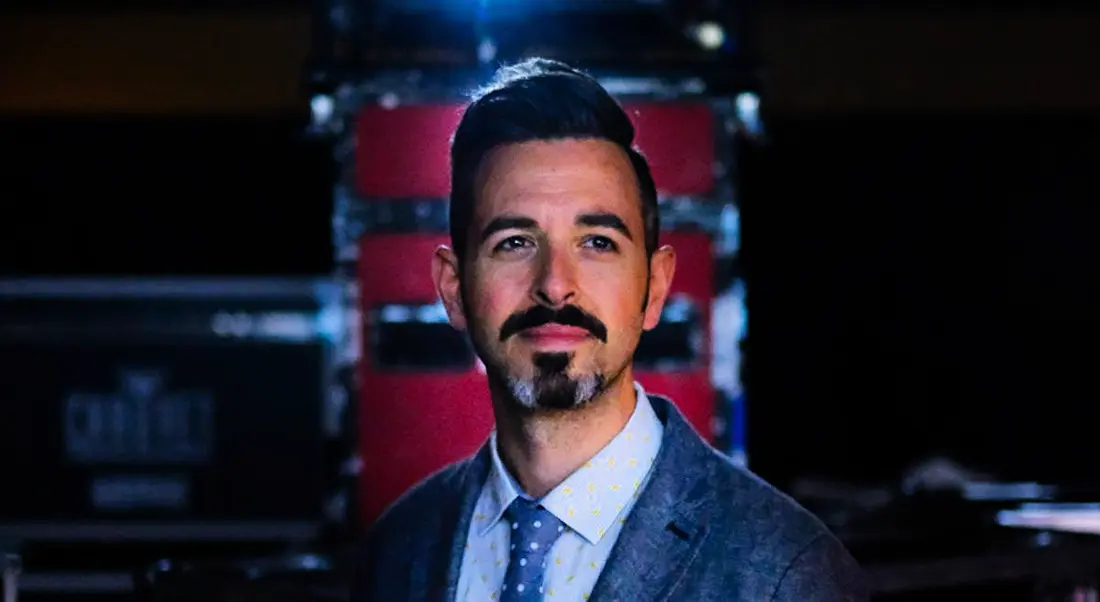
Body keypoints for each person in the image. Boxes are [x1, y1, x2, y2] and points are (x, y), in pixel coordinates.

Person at [352, 58, 867, 602]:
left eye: (598, 242)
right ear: (453, 287)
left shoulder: (790, 571)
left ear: (656, 286)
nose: (555, 286)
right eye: (514, 243)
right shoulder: (398, 549)